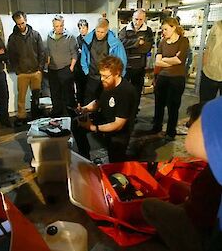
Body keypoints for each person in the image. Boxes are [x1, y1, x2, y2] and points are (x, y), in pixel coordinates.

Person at [135, 97, 222, 251]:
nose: (188, 126)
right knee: (176, 186)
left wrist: (186, 207)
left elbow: (191, 144)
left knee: (148, 205)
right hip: (201, 213)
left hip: (201, 230)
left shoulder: (214, 169)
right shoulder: (213, 165)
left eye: (191, 124)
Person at [72, 56, 136, 163]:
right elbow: (98, 102)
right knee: (76, 124)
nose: (102, 79)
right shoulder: (104, 83)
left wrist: (93, 128)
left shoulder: (126, 92)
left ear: (117, 73)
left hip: (119, 131)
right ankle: (85, 158)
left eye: (106, 76)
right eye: (101, 75)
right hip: (104, 117)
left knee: (115, 161)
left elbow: (118, 124)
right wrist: (85, 109)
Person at [151, 17, 189, 142]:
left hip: (177, 78)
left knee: (173, 106)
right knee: (159, 104)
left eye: (166, 29)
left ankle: (170, 131)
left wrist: (165, 60)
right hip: (163, 77)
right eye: (163, 30)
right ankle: (156, 126)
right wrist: (170, 60)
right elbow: (157, 62)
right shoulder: (162, 42)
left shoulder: (183, 41)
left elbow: (179, 60)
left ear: (174, 27)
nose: (164, 32)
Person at [8, 11, 45, 127]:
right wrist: (17, 70)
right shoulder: (13, 38)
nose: (21, 26)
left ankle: (35, 114)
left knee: (36, 96)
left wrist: (40, 68)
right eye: (18, 24)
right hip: (22, 73)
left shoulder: (35, 35)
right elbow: (11, 55)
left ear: (26, 20)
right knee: (21, 97)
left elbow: (41, 52)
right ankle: (21, 116)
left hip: (36, 72)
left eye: (22, 23)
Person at [81, 18, 127, 105]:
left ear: (107, 30)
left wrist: (119, 76)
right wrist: (86, 71)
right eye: (97, 31)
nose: (99, 34)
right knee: (89, 100)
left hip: (108, 77)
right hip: (92, 75)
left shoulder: (115, 43)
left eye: (102, 32)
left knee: (107, 100)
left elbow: (122, 61)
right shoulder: (87, 41)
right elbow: (84, 57)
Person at [119, 9, 153, 115]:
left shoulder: (148, 31)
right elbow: (121, 43)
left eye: (140, 19)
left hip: (139, 67)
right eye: (136, 19)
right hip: (126, 66)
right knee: (123, 90)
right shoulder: (125, 30)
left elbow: (147, 48)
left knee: (136, 91)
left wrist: (130, 46)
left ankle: (133, 112)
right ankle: (123, 111)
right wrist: (138, 42)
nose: (137, 22)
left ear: (144, 19)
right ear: (132, 18)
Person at [47, 15, 78, 117]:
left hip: (65, 69)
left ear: (63, 25)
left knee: (67, 93)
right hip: (53, 69)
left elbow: (74, 54)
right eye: (57, 26)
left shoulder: (70, 37)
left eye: (61, 25)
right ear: (53, 26)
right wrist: (47, 65)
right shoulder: (49, 37)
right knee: (55, 92)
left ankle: (68, 113)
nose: (59, 28)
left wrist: (71, 68)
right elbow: (48, 52)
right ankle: (57, 112)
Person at [199, 20, 222, 103]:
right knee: (204, 106)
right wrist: (204, 67)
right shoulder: (216, 25)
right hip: (209, 73)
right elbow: (208, 47)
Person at [75, 19, 89, 106]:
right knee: (79, 89)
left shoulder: (91, 39)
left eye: (84, 28)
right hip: (79, 70)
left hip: (89, 70)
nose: (82, 30)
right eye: (80, 28)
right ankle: (80, 106)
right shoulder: (76, 40)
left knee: (88, 90)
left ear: (87, 28)